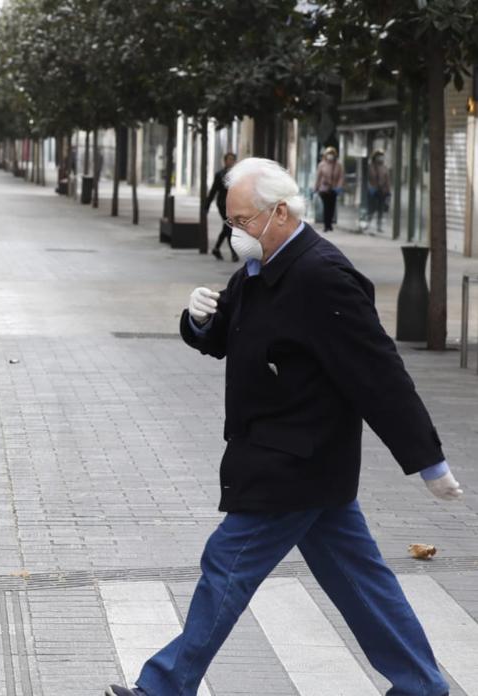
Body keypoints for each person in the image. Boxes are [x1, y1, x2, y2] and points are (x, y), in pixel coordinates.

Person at [105, 158, 464, 696]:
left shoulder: (323, 276)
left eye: (242, 221)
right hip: (295, 463)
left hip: (294, 461)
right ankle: (422, 686)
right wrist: (199, 319)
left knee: (226, 568)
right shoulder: (261, 266)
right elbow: (225, 334)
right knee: (360, 580)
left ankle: (164, 687)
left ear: (279, 212)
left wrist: (428, 462)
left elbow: (379, 375)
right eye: (230, 222)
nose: (235, 234)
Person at [205, 152, 238, 261]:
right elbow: (213, 191)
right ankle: (233, 253)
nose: (231, 162)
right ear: (225, 161)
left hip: (233, 204)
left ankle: (216, 248)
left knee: (227, 226)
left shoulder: (237, 174)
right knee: (229, 226)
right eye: (229, 159)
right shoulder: (220, 174)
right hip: (222, 204)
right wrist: (207, 206)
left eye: (233, 160)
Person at [313, 145, 344, 232]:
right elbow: (318, 177)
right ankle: (326, 225)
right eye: (329, 154)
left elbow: (341, 177)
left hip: (334, 189)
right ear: (326, 155)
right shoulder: (321, 165)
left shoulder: (338, 165)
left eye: (332, 154)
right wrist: (316, 188)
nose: (330, 156)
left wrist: (339, 187)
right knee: (326, 207)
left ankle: (330, 223)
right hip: (324, 189)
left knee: (332, 207)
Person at [367, 149, 391, 232]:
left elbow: (387, 180)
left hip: (382, 191)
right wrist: (370, 187)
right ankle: (368, 224)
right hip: (372, 190)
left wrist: (388, 191)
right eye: (378, 156)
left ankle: (379, 226)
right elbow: (367, 179)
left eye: (381, 156)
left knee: (381, 209)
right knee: (372, 208)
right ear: (375, 157)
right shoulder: (370, 167)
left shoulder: (385, 168)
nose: (380, 158)